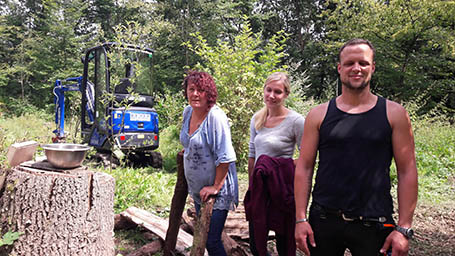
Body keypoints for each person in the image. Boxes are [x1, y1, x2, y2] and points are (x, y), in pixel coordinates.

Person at [294, 38, 418, 256]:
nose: (356, 68)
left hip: (375, 222)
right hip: (324, 220)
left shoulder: (394, 114)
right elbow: (304, 167)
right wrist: (301, 218)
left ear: (373, 67)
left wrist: (403, 228)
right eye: (350, 63)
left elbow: (407, 170)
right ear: (340, 68)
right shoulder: (318, 114)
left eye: (363, 63)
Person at [245, 72, 305, 256]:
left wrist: (281, 168)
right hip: (261, 189)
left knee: (284, 243)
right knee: (257, 245)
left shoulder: (296, 121)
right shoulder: (257, 119)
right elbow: (252, 155)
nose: (271, 95)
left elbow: (306, 158)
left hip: (282, 189)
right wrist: (252, 186)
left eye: (277, 92)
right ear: (263, 90)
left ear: (286, 94)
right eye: (268, 90)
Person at [179, 71, 239, 255]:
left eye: (201, 90)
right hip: (199, 190)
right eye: (192, 89)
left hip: (217, 191)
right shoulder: (188, 112)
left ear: (209, 93)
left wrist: (215, 186)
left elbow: (226, 157)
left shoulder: (215, 117)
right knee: (204, 236)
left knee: (211, 241)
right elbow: (191, 141)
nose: (195, 94)